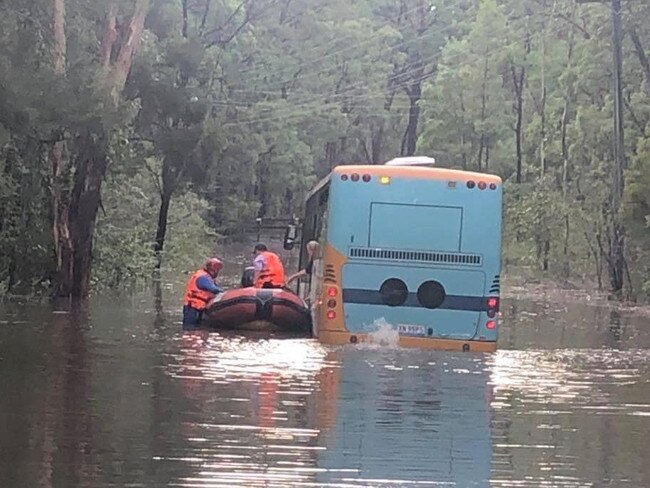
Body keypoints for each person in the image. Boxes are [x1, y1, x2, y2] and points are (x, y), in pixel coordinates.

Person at [182, 258, 224, 329]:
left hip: (198, 307)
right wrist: (223, 292)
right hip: (192, 308)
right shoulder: (202, 277)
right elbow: (213, 289)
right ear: (212, 269)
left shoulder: (206, 277)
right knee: (190, 328)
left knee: (196, 328)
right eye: (216, 270)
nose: (217, 272)